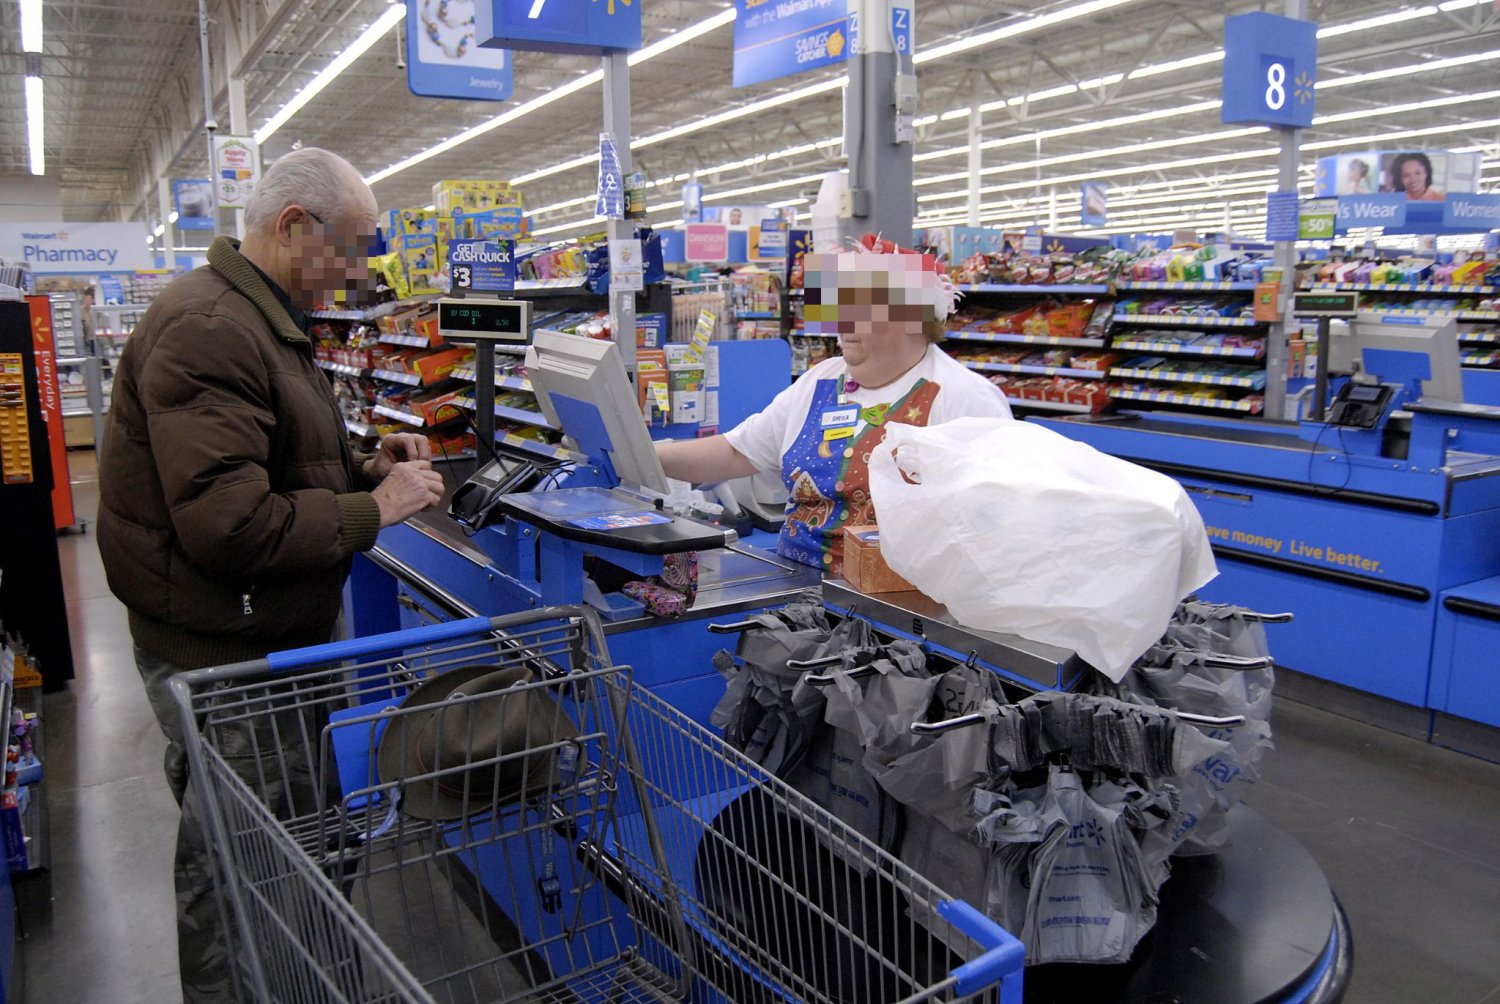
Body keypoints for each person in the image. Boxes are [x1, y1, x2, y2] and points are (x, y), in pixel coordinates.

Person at [97, 147, 444, 1001]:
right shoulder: (212, 327)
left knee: (278, 846)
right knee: (240, 866)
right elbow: (231, 525)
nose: (361, 273)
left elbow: (271, 459)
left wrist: (361, 465)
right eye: (354, 248)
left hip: (259, 635)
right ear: (293, 226)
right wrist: (374, 510)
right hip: (229, 654)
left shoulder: (258, 316)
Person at [657, 234, 1013, 577]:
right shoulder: (820, 381)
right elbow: (737, 452)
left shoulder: (965, 398)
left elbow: (994, 524)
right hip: (797, 590)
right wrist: (644, 456)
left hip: (901, 604)